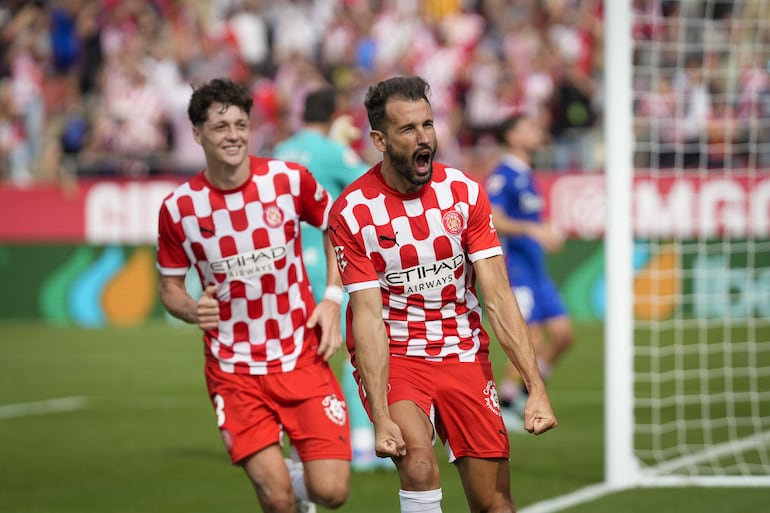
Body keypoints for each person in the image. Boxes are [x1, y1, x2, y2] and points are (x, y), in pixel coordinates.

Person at [327, 75, 557, 513]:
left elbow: (498, 298)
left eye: (428, 125)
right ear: (379, 139)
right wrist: (378, 415)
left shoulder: (464, 193)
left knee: (494, 502)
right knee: (417, 465)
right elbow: (368, 319)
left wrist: (535, 385)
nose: (423, 138)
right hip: (399, 354)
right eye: (408, 129)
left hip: (463, 352)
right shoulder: (353, 212)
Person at [155, 77, 350, 513]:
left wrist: (333, 298)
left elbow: (336, 226)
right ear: (197, 133)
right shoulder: (179, 208)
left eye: (241, 125)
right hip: (234, 370)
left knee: (332, 492)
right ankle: (276, 484)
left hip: (301, 356)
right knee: (277, 499)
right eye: (221, 126)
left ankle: (291, 480)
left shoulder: (287, 180)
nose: (234, 135)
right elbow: (169, 285)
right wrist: (190, 308)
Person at [274, 86, 391, 472]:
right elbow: (373, 185)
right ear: (332, 115)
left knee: (296, 357)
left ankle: (292, 443)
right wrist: (346, 147)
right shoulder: (331, 152)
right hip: (327, 268)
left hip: (287, 269)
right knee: (358, 350)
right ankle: (360, 443)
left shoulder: (279, 152)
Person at [485, 114, 574, 430]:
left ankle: (521, 392)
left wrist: (546, 232)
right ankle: (507, 402)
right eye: (528, 127)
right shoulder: (503, 175)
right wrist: (534, 230)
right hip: (517, 269)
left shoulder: (527, 174)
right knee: (529, 336)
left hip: (538, 270)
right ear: (511, 136)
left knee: (563, 334)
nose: (537, 130)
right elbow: (493, 218)